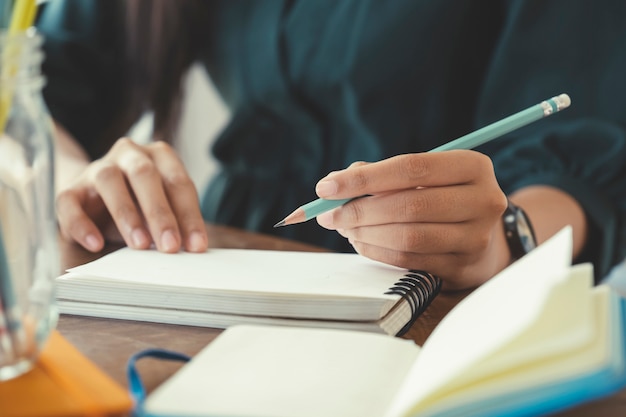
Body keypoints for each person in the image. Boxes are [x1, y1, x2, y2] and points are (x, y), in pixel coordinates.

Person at [37, 0, 626, 290]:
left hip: (450, 282)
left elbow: (580, 154)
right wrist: (74, 179)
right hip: (227, 259)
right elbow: (32, 90)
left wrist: (504, 241)